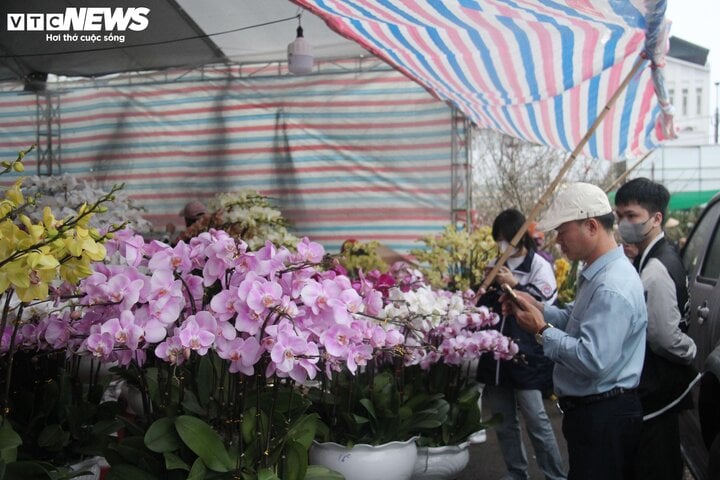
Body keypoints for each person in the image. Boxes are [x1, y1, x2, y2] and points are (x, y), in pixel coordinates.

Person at [501, 182, 647, 480]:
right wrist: (537, 306)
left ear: (591, 226)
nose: (558, 241)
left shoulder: (611, 286)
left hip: (605, 415)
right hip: (595, 412)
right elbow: (575, 318)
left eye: (562, 231)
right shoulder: (597, 273)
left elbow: (592, 359)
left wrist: (541, 331)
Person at [615, 178, 700, 480]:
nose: (624, 224)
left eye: (632, 216)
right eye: (620, 216)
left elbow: (663, 337)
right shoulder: (650, 257)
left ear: (656, 218)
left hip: (658, 390)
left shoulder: (655, 269)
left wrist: (690, 350)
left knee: (657, 463)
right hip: (657, 389)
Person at [476, 209, 566, 480]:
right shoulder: (496, 263)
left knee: (537, 420)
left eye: (506, 239)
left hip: (526, 353)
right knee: (503, 422)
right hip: (496, 356)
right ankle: (516, 473)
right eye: (498, 239)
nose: (501, 245)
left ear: (521, 239)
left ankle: (555, 475)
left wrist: (515, 284)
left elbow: (546, 304)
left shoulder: (539, 265)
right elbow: (483, 305)